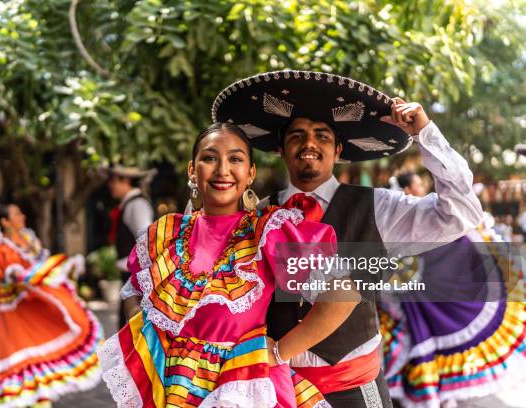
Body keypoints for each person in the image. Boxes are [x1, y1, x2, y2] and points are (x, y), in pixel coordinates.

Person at [212, 70, 483, 408]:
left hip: (353, 393)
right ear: (281, 148)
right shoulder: (256, 215)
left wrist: (425, 134)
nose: (309, 143)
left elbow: (462, 213)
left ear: (338, 149)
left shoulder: (378, 208)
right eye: (297, 135)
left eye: (322, 136)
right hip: (275, 392)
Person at [98, 123, 359, 407]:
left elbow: (341, 296)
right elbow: (141, 305)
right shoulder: (166, 234)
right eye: (210, 158)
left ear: (250, 173)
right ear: (192, 171)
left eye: (235, 159)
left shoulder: (268, 232)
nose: (223, 170)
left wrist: (281, 352)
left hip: (243, 389)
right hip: (172, 388)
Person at [378, 182, 526, 408]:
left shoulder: (432, 215)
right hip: (413, 305)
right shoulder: (404, 218)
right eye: (416, 184)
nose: (419, 188)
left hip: (431, 303)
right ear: (407, 188)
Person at [0, 204, 104, 407]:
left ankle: (38, 397)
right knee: (13, 359)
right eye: (16, 214)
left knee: (37, 353)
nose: (22, 216)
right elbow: (14, 274)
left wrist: (53, 271)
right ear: (5, 222)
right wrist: (45, 273)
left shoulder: (28, 239)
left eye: (20, 212)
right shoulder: (3, 247)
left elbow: (39, 265)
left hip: (31, 305)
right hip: (11, 313)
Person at [106, 164, 155, 327]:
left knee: (131, 328)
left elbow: (147, 240)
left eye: (113, 180)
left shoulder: (136, 204)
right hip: (131, 277)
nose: (110, 185)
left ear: (125, 180)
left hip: (136, 279)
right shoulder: (130, 204)